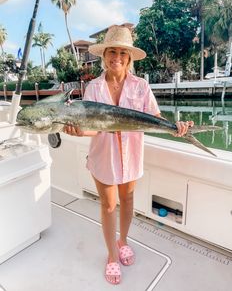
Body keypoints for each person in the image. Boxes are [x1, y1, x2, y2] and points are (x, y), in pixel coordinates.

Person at [63, 25, 193, 285]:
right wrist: (79, 132)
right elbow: (94, 129)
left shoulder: (141, 86)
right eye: (112, 51)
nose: (117, 58)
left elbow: (154, 118)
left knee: (128, 199)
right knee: (109, 205)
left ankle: (123, 241)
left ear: (129, 57)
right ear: (105, 55)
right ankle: (112, 255)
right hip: (103, 157)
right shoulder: (94, 88)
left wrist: (175, 128)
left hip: (131, 156)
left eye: (122, 52)